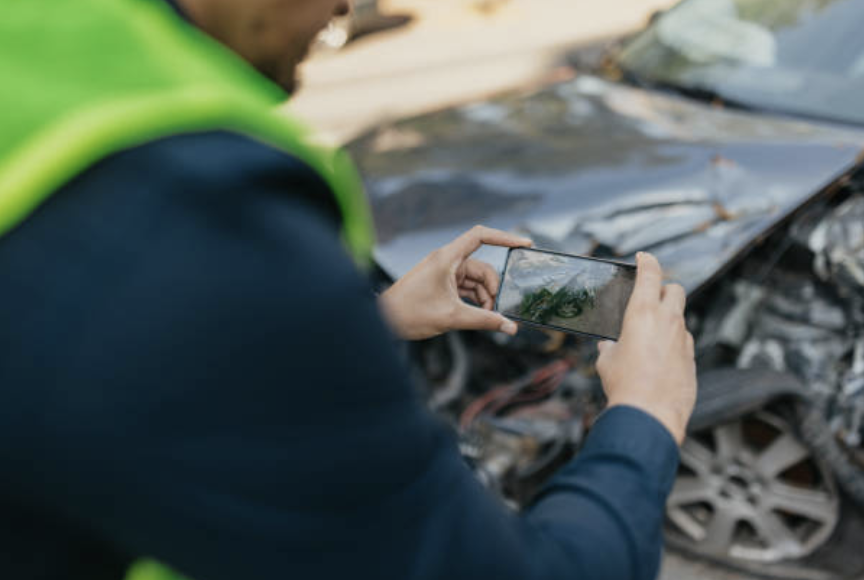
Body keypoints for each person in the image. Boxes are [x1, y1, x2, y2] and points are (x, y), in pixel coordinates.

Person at [0, 1, 697, 579]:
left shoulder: (42, 60)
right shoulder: (195, 207)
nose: (345, 8)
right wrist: (644, 415)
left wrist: (376, 317)